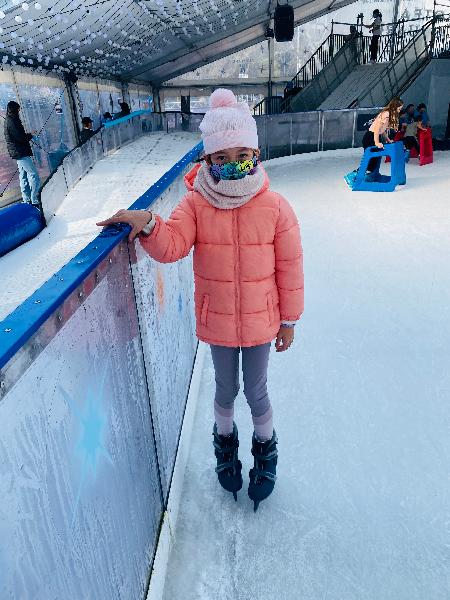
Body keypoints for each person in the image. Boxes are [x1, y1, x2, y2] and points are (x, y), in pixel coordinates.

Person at [97, 88, 304, 512]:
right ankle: (225, 445)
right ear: (208, 160)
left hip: (263, 320)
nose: (232, 164)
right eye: (221, 157)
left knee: (257, 391)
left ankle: (266, 452)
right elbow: (172, 244)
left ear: (255, 152)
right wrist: (149, 223)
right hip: (220, 323)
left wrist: (290, 320)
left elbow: (290, 266)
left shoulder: (276, 207)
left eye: (241, 153)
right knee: (226, 390)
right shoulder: (196, 204)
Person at [3, 100, 40, 207]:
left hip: (18, 152)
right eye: (18, 108)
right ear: (15, 109)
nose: (19, 110)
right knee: (33, 175)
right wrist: (31, 135)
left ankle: (26, 199)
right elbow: (20, 138)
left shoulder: (10, 119)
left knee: (23, 176)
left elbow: (19, 135)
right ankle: (34, 199)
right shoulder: (12, 121)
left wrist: (28, 135)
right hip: (20, 152)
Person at [361, 97, 404, 176]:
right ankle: (359, 176)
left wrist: (388, 139)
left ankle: (371, 175)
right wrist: (377, 142)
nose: (399, 111)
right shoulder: (386, 114)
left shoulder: (389, 114)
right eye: (399, 109)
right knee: (370, 160)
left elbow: (382, 130)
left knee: (375, 159)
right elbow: (377, 129)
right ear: (394, 107)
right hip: (370, 137)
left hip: (374, 136)